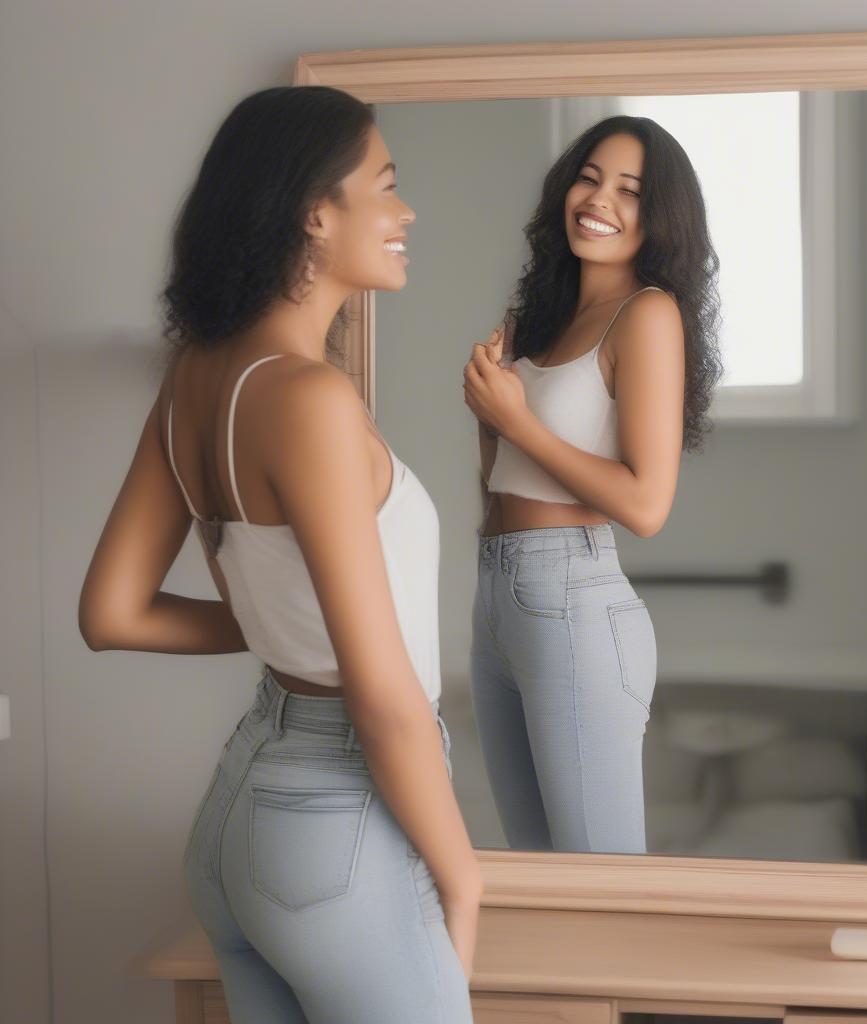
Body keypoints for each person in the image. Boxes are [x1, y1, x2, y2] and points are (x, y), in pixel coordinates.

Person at [79, 86, 479, 1023]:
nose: (404, 210)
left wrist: (276, 628)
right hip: (336, 820)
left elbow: (111, 614)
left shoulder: (196, 379)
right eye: (385, 186)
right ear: (315, 211)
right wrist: (464, 879)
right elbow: (383, 702)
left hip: (242, 815)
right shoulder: (308, 399)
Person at [462, 114, 722, 854]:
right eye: (589, 176)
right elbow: (503, 484)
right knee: (539, 871)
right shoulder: (536, 320)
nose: (599, 198)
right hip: (495, 594)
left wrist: (517, 421)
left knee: (602, 880)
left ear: (659, 216)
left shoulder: (648, 314)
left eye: (629, 189)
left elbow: (647, 504)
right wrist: (488, 415)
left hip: (573, 597)